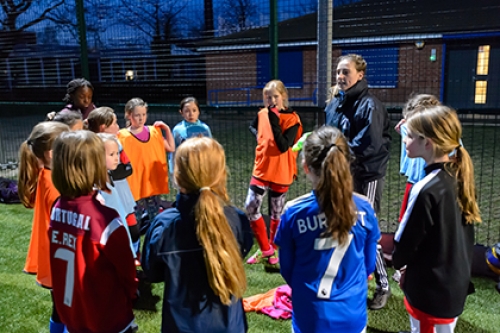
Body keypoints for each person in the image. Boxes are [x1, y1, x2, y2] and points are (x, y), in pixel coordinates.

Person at [142, 137, 253, 333]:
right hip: (230, 325)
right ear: (220, 174)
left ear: (177, 176)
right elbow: (243, 250)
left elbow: (152, 271)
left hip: (181, 325)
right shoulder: (237, 220)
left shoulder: (164, 226)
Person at [275, 126, 380, 333]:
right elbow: (369, 266)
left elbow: (287, 269)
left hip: (311, 315)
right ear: (346, 163)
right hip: (351, 313)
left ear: (305, 166)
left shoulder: (293, 212)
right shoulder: (365, 208)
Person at [393, 105, 479, 333]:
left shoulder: (425, 188)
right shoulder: (459, 176)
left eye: (408, 135)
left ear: (427, 142)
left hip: (431, 291)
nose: (403, 140)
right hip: (452, 281)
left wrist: (401, 267)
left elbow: (405, 242)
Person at [49, 131, 138, 333]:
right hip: (107, 318)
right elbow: (127, 273)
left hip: (72, 313)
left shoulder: (57, 208)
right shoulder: (105, 219)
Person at [324, 53, 391, 309]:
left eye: (346, 72)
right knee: (341, 224)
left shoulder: (370, 105)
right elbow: (329, 135)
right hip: (341, 175)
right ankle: (348, 279)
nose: (340, 76)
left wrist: (334, 151)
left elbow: (370, 146)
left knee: (366, 230)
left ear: (360, 75)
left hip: (366, 176)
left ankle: (383, 286)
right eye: (338, 72)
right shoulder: (334, 104)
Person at [18, 121, 70, 333]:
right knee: (69, 310)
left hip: (54, 256)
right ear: (51, 154)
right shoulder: (57, 185)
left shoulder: (46, 175)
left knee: (59, 309)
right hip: (63, 259)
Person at [244, 79, 303, 266]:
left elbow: (283, 144)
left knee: (276, 213)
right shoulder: (262, 114)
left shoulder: (292, 119)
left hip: (281, 171)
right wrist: (260, 137)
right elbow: (253, 126)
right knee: (250, 207)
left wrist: (274, 120)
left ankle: (272, 250)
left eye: (275, 96)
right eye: (267, 97)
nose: (271, 100)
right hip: (261, 168)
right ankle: (265, 249)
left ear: (283, 96)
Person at [86, 107, 140, 254]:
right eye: (115, 123)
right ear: (104, 127)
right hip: (112, 192)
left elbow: (128, 168)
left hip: (121, 191)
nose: (118, 126)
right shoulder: (92, 147)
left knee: (130, 224)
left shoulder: (116, 143)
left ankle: (133, 253)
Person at [118, 98, 175, 225]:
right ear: (128, 115)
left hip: (152, 184)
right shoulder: (122, 136)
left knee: (155, 218)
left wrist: (167, 130)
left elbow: (171, 148)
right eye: (137, 115)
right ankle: (135, 242)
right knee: (134, 220)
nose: (141, 118)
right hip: (134, 186)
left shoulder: (154, 132)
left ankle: (154, 240)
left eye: (143, 114)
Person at [394, 94, 440, 222]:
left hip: (430, 187)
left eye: (409, 134)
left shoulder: (444, 183)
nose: (404, 140)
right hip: (415, 183)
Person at [96, 133, 138, 256]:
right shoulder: (98, 187)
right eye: (111, 154)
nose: (117, 158)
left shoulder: (108, 178)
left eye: (117, 153)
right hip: (111, 240)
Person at [169, 96, 212, 174]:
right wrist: (173, 169)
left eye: (194, 110)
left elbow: (211, 149)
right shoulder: (177, 130)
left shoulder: (205, 129)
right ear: (181, 112)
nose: (191, 114)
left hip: (201, 168)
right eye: (187, 111)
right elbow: (173, 151)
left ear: (199, 111)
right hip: (184, 169)